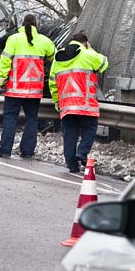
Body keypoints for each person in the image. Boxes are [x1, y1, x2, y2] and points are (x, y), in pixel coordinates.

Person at [0, 15, 55, 159]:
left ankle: (5, 150)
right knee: (32, 119)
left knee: (10, 118)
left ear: (22, 23)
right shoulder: (45, 41)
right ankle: (27, 151)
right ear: (36, 24)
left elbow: (5, 62)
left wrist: (1, 81)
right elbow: (54, 58)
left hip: (14, 89)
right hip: (34, 89)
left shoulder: (13, 39)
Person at [49, 32, 109, 172]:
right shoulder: (88, 55)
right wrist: (89, 49)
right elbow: (104, 64)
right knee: (89, 130)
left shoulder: (58, 58)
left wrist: (57, 102)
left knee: (69, 135)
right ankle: (81, 153)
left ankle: (72, 165)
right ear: (85, 43)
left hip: (67, 105)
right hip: (86, 104)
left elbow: (52, 83)